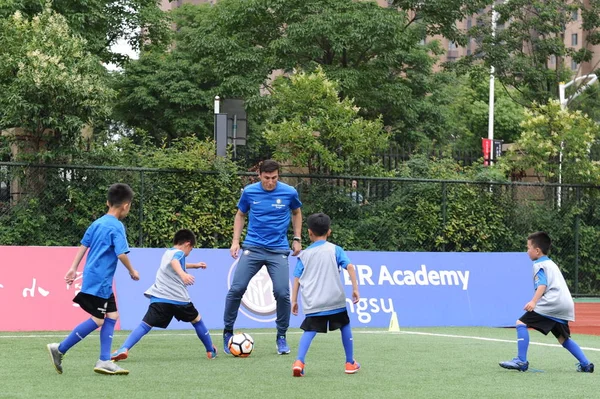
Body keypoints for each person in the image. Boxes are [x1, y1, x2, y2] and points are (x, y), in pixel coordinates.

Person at [47, 183, 139, 375]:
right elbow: (121, 254)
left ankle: (104, 360)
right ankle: (60, 348)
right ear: (126, 205)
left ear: (107, 202)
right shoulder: (117, 226)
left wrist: (73, 268)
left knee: (112, 316)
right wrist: (132, 271)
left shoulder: (97, 223)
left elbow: (83, 245)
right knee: (98, 320)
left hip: (97, 279)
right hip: (101, 281)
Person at [223, 159, 303, 355]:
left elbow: (297, 212)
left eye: (274, 178)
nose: (270, 182)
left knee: (283, 293)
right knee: (237, 288)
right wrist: (235, 241)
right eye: (266, 178)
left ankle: (281, 336)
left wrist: (297, 238)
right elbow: (240, 215)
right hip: (253, 248)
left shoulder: (289, 192)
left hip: (278, 250)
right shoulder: (249, 192)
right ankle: (227, 333)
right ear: (259, 175)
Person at [111, 229, 217, 361]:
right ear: (187, 244)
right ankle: (210, 350)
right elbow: (175, 262)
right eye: (191, 249)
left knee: (145, 325)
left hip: (160, 298)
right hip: (180, 300)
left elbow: (176, 263)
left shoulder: (168, 252)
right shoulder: (178, 253)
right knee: (197, 321)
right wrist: (183, 275)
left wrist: (195, 265)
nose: (190, 252)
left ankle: (124, 348)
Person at [499, 231, 594, 373]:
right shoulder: (551, 263)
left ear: (537, 251)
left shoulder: (538, 265)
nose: (527, 251)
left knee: (521, 323)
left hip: (552, 302)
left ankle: (521, 361)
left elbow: (542, 285)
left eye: (528, 248)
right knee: (563, 338)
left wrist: (533, 301)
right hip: (565, 303)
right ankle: (586, 364)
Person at [291, 212, 361, 377]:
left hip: (314, 302)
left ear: (309, 232)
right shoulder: (335, 249)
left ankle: (299, 362)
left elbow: (297, 279)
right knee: (344, 325)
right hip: (334, 299)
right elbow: (350, 267)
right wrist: (355, 289)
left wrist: (294, 300)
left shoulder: (304, 254)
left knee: (309, 330)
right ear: (329, 231)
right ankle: (350, 363)